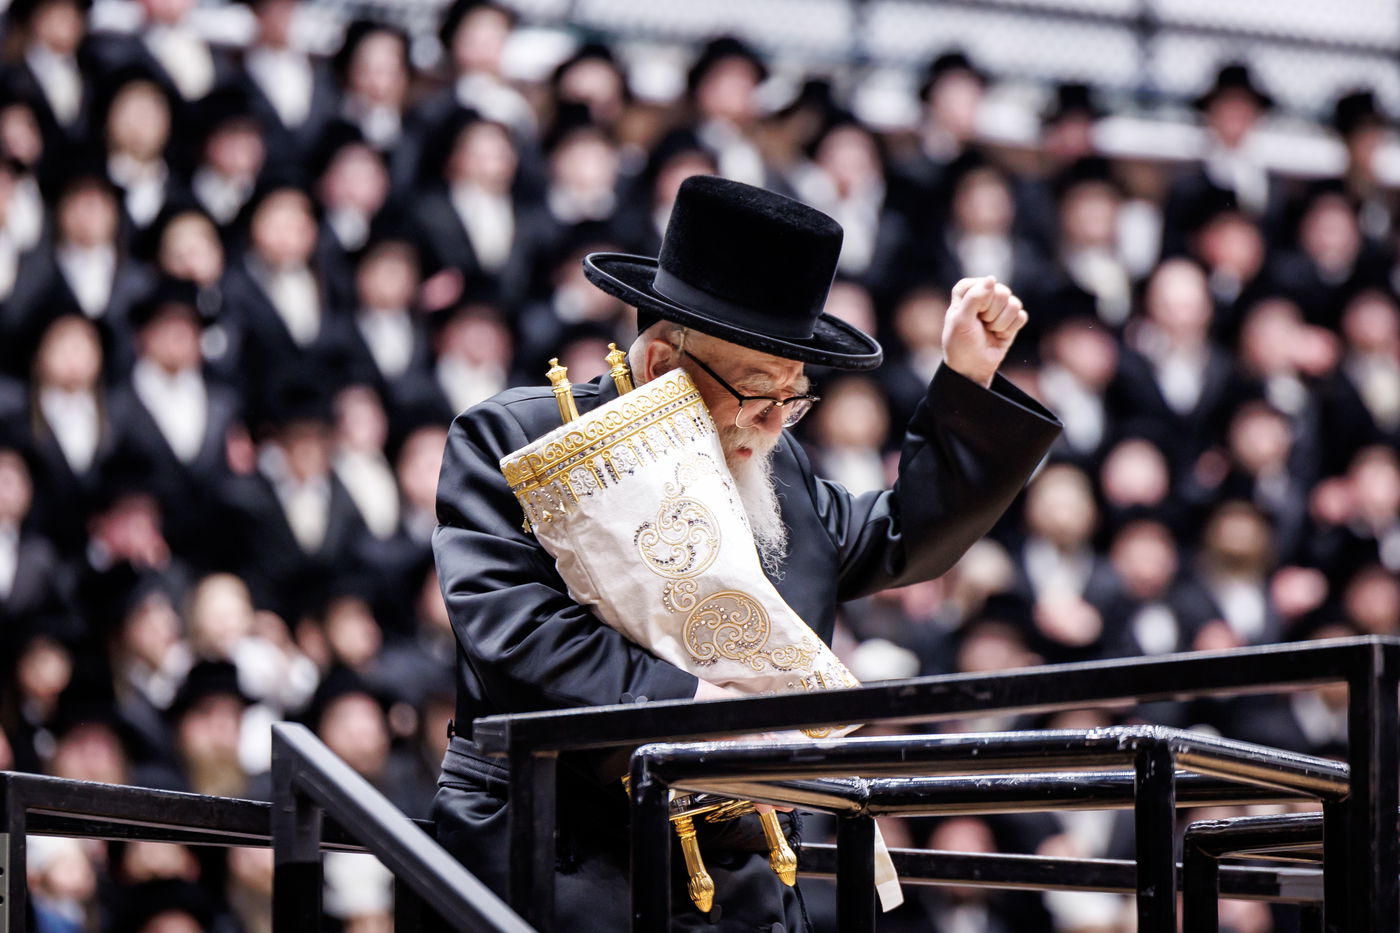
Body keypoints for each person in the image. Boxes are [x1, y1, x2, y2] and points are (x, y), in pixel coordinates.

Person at [429, 175, 1061, 929]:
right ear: (662, 367)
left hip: (738, 873)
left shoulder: (775, 461)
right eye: (760, 393)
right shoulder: (514, 439)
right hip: (556, 845)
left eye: (795, 396)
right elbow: (515, 627)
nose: (775, 422)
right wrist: (694, 707)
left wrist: (967, 380)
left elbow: (900, 534)